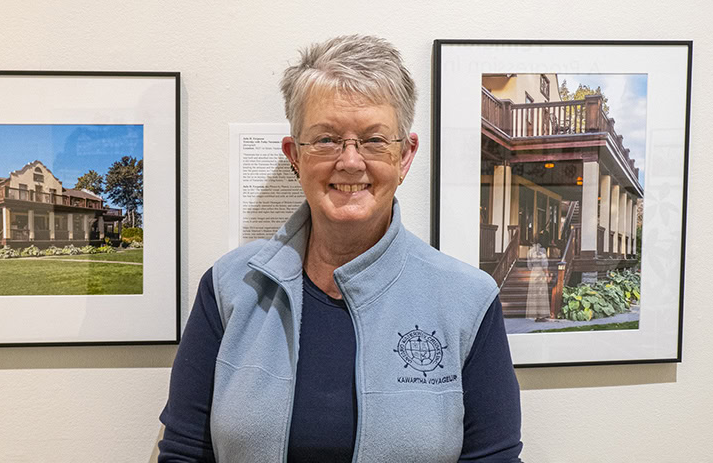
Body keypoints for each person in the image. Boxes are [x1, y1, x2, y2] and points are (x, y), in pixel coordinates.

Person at [158, 35, 522, 462]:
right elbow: (185, 452)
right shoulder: (230, 286)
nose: (350, 161)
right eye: (327, 139)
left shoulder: (467, 300)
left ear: (405, 156)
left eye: (373, 140)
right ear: (295, 156)